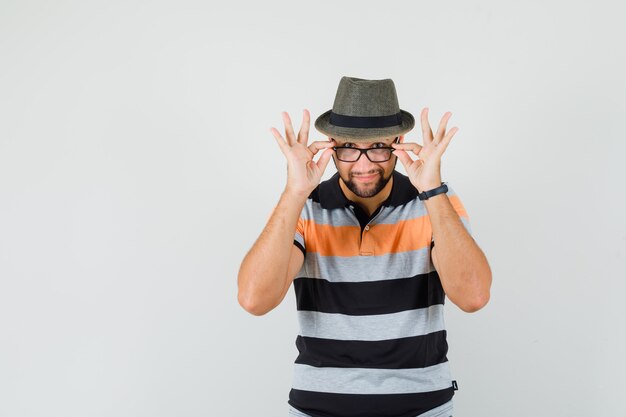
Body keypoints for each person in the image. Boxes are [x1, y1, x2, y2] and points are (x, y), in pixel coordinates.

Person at [237, 76, 492, 417]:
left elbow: (473, 296)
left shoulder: (434, 203)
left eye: (378, 147)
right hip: (318, 407)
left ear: (399, 143)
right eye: (348, 148)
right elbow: (254, 299)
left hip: (421, 407)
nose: (364, 165)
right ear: (330, 145)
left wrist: (432, 189)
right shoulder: (303, 206)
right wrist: (294, 192)